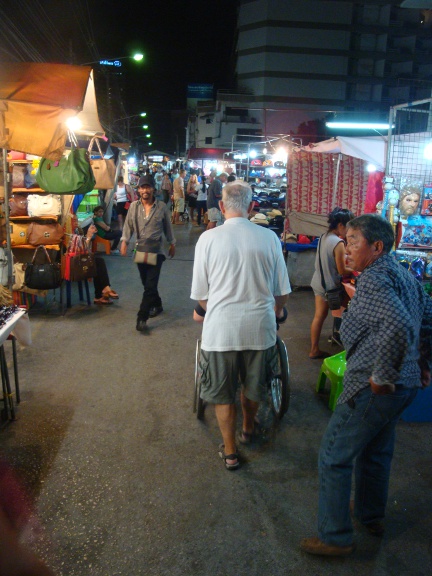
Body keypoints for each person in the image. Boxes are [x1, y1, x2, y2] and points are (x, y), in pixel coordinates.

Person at [301, 214, 432, 557]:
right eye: (347, 240)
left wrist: (384, 375)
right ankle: (370, 515)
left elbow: (399, 324)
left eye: (355, 241)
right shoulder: (402, 274)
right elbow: (427, 318)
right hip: (406, 385)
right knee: (376, 452)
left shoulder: (375, 278)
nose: (347, 249)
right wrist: (422, 363)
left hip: (373, 387)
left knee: (334, 456)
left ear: (376, 247)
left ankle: (335, 537)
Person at [190, 180, 291, 470]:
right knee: (252, 387)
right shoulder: (269, 238)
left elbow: (201, 295)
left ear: (221, 207)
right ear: (251, 207)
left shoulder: (208, 239)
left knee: (223, 395)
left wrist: (220, 311)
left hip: (220, 332)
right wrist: (277, 310)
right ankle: (248, 428)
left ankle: (231, 452)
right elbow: (281, 292)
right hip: (260, 330)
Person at [120, 175, 176, 331]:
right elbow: (128, 226)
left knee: (150, 285)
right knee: (147, 284)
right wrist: (124, 241)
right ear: (138, 190)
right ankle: (157, 304)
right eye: (142, 187)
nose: (145, 190)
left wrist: (172, 243)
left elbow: (167, 227)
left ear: (153, 189)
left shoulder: (162, 207)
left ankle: (142, 317)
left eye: (148, 187)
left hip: (156, 251)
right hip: (140, 250)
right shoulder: (133, 207)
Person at [309, 207, 354, 359]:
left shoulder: (324, 236)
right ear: (341, 225)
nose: (349, 231)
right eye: (348, 226)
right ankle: (345, 345)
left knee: (318, 317)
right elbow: (342, 270)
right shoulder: (338, 242)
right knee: (349, 311)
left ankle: (314, 348)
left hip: (318, 281)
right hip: (329, 285)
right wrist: (356, 268)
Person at [82, 224, 120, 305]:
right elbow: (81, 250)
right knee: (98, 262)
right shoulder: (67, 232)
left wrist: (89, 236)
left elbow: (85, 250)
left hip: (80, 258)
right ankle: (104, 290)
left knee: (98, 261)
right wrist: (88, 236)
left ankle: (100, 294)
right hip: (74, 262)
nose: (75, 221)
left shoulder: (77, 230)